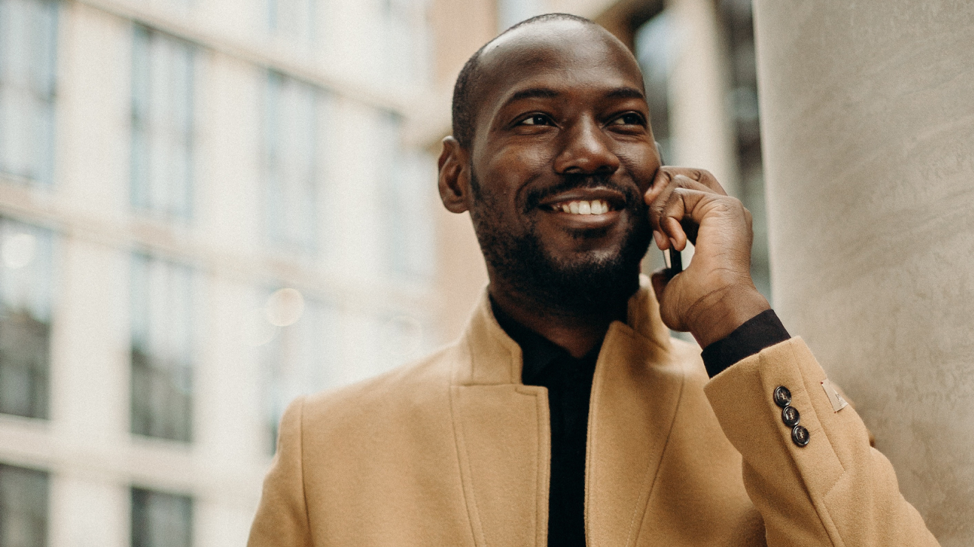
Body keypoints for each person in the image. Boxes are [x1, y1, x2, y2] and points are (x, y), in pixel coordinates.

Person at [248, 13, 938, 546]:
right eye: (538, 119)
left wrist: (730, 308)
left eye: (624, 121)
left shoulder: (768, 406)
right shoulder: (328, 445)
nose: (589, 151)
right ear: (456, 178)